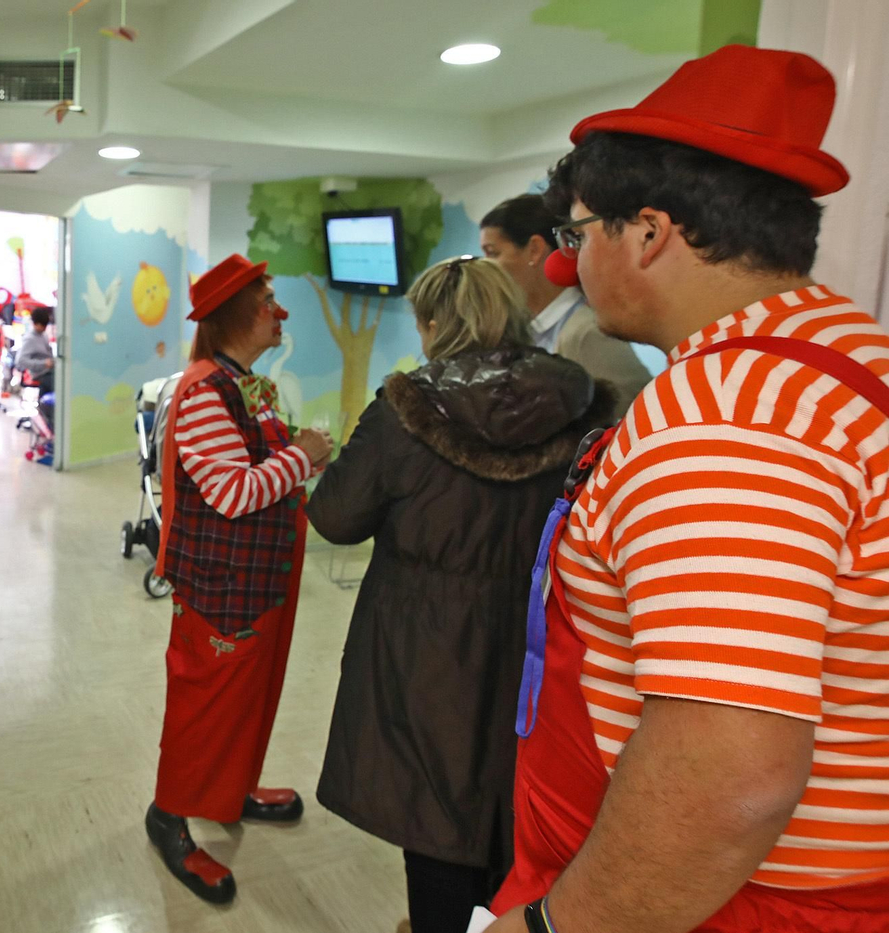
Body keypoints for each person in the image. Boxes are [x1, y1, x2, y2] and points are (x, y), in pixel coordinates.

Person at [486, 45, 889, 933]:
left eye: (578, 234)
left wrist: (556, 925)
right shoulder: (840, 350)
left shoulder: (730, 414)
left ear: (649, 232)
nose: (570, 263)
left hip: (721, 905)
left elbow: (731, 773)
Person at [305, 256, 613, 933]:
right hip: (539, 642)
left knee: (435, 805)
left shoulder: (405, 408)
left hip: (425, 646)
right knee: (513, 798)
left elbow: (334, 516)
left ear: (436, 323)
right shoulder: (581, 399)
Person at [145, 253, 333, 904]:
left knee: (250, 698)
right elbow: (232, 491)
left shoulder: (245, 382)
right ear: (232, 316)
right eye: (267, 301)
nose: (279, 312)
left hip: (258, 582)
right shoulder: (205, 391)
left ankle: (232, 788)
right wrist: (303, 456)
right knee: (204, 707)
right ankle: (169, 813)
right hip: (221, 588)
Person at [481, 193, 651, 418]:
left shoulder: (586, 331)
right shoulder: (524, 331)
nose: (484, 268)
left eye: (493, 253)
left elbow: (637, 410)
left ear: (534, 249)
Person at [14, 305, 55, 394]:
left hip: (50, 370)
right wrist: (43, 364)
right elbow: (20, 361)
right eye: (42, 325)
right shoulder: (29, 339)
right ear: (35, 323)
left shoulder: (44, 335)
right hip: (40, 373)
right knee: (58, 384)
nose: (44, 328)